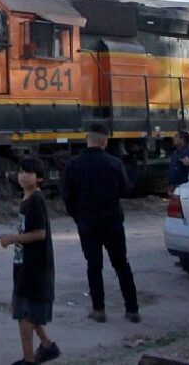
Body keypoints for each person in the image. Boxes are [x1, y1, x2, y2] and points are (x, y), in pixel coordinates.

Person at [62, 123, 140, 323]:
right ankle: (132, 310)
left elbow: (67, 197)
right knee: (121, 264)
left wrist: (78, 216)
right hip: (112, 221)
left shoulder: (73, 164)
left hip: (87, 222)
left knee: (93, 266)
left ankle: (99, 310)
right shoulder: (114, 163)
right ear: (105, 141)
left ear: (87, 138)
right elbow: (126, 191)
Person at [0, 156, 60, 365]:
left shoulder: (36, 201)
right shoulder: (27, 199)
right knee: (28, 311)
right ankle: (47, 346)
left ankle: (29, 359)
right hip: (24, 262)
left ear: (40, 178)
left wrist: (12, 239)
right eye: (22, 171)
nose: (24, 176)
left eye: (29, 173)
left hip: (35, 266)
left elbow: (40, 233)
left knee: (24, 314)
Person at [168, 130, 189, 194]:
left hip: (183, 186)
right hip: (175, 185)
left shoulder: (188, 152)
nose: (173, 139)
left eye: (176, 137)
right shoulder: (176, 153)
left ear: (182, 139)